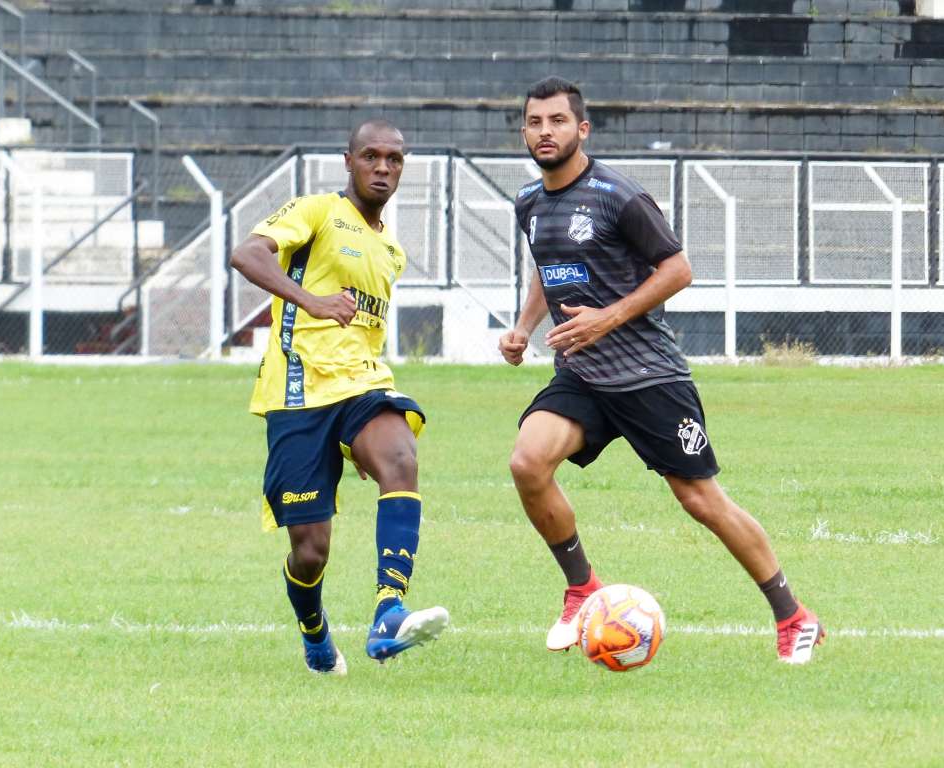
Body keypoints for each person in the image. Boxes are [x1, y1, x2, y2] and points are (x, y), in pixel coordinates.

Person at [499, 76, 824, 664]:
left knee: (702, 501)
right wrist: (524, 327)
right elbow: (548, 268)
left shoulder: (618, 195)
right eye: (534, 122)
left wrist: (607, 319)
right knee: (528, 462)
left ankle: (793, 616)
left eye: (557, 121)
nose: (545, 132)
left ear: (582, 129)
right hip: (583, 376)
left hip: (649, 376)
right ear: (523, 131)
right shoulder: (528, 202)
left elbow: (677, 269)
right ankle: (581, 589)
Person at [229, 119, 448, 675]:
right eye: (370, 156)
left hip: (362, 384)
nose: (382, 166)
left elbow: (364, 330)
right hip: (298, 391)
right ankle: (314, 631)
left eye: (394, 158)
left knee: (401, 456)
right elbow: (247, 254)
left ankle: (388, 612)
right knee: (310, 550)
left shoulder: (391, 250)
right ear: (347, 161)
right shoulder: (317, 211)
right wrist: (312, 301)